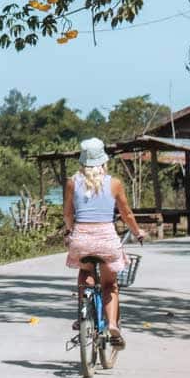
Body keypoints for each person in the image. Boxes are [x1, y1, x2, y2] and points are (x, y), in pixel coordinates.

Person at [65, 137, 145, 346]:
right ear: (103, 161)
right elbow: (126, 213)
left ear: (82, 161)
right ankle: (112, 325)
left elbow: (67, 214)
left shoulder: (72, 182)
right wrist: (137, 233)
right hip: (107, 241)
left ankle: (84, 311)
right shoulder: (115, 183)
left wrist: (69, 231)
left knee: (85, 272)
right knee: (110, 284)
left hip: (81, 239)